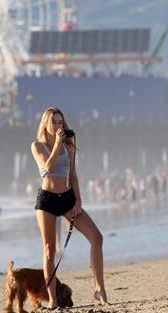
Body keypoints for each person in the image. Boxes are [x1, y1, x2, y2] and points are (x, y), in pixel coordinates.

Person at [31, 107, 108, 308]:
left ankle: (99, 289)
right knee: (49, 250)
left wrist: (78, 199)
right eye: (54, 122)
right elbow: (48, 166)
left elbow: (72, 174)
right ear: (46, 123)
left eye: (60, 122)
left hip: (67, 197)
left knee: (97, 238)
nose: (58, 125)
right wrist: (57, 144)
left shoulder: (69, 147)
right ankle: (53, 299)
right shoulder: (37, 146)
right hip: (46, 200)